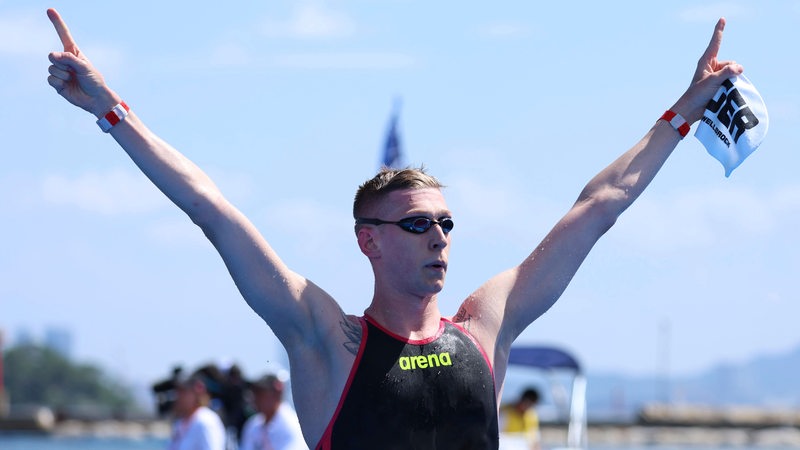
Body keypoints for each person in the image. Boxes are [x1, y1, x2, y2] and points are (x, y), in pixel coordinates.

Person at [46, 8, 744, 449]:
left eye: (445, 221)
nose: (439, 236)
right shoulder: (328, 341)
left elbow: (599, 207)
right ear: (369, 239)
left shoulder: (483, 329)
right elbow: (211, 210)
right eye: (417, 224)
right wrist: (113, 112)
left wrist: (682, 113)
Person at [240, 374, 308, 450]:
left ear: (277, 393)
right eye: (255, 392)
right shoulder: (252, 425)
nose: (255, 397)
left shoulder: (293, 425)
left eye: (261, 392)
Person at [169, 372, 227, 450]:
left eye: (183, 391)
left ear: (196, 393)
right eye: (177, 391)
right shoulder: (179, 423)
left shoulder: (206, 421)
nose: (178, 396)